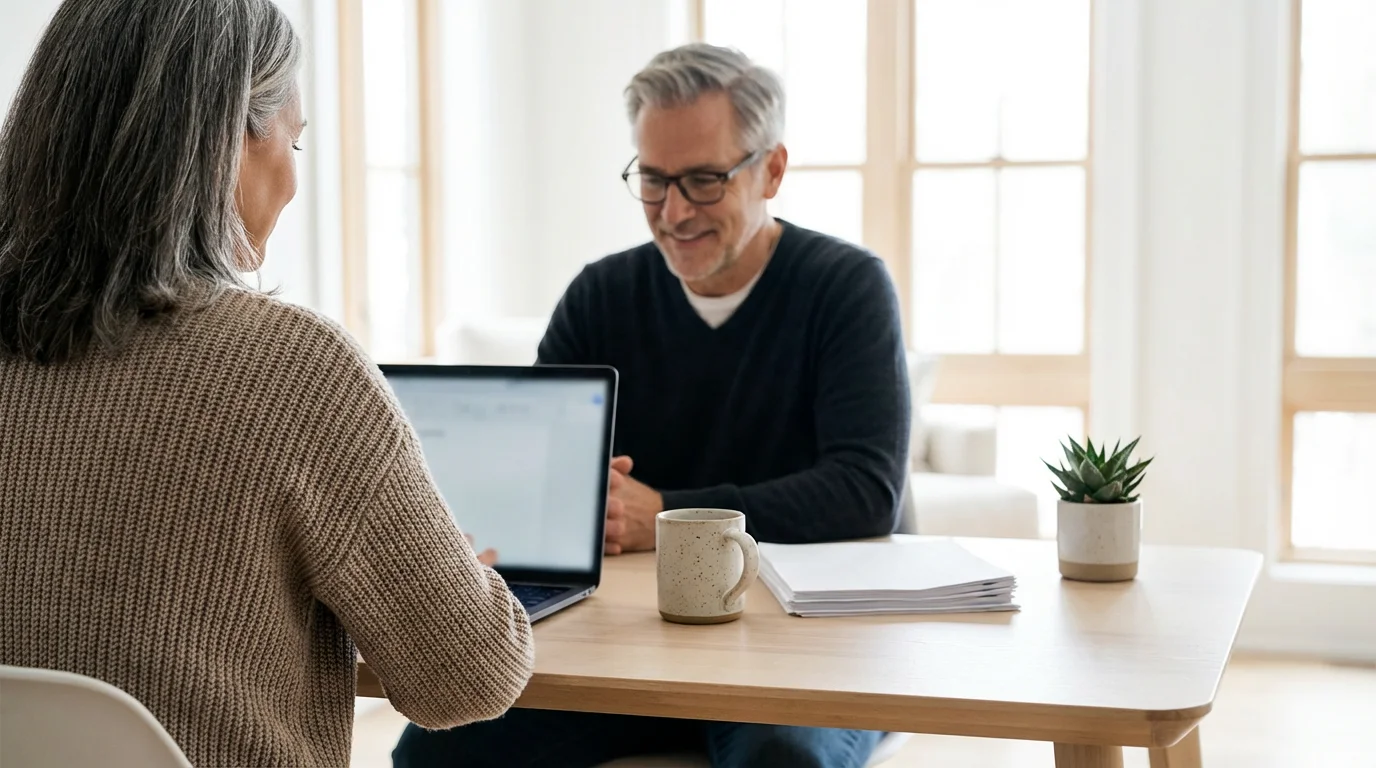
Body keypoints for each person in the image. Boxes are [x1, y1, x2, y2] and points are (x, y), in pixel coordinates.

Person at [0, 1, 533, 765]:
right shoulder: (294, 370)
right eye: (295, 141)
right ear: (229, 141)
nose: (290, 178)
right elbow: (470, 678)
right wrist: (451, 579)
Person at [392, 43, 911, 768]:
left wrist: (661, 512)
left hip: (802, 640)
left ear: (773, 170)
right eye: (653, 180)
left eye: (703, 180)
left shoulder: (847, 289)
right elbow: (552, 476)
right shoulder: (601, 295)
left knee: (780, 758)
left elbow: (866, 493)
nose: (673, 212)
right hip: (634, 640)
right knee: (434, 753)